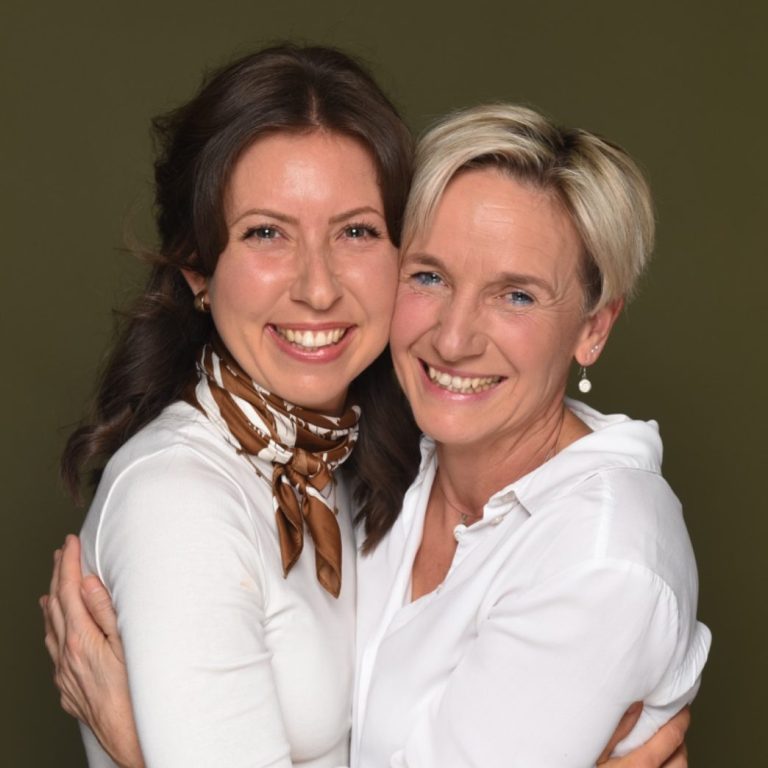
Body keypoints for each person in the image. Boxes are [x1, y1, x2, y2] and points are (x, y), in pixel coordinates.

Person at [41, 48, 696, 768]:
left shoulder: (379, 469)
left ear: (594, 327)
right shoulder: (183, 500)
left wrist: (138, 749)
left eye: (355, 231)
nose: (318, 289)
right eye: (266, 232)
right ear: (197, 267)